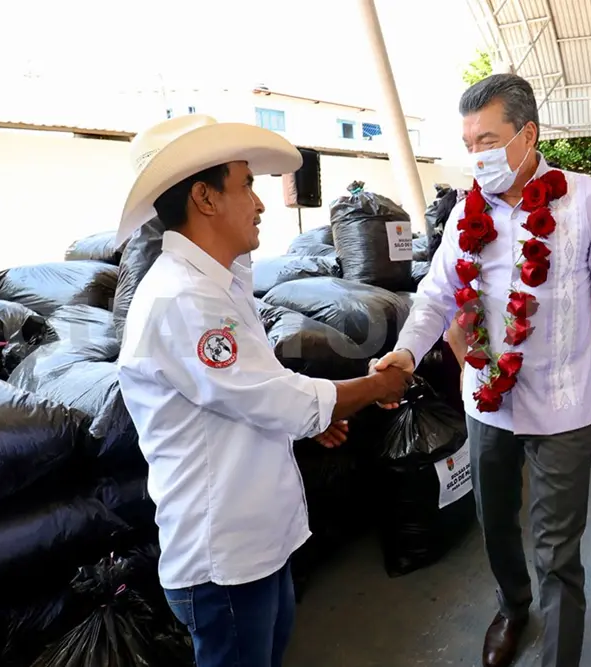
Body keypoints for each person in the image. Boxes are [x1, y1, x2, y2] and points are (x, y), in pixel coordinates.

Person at [112, 114, 410, 667]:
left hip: (255, 542)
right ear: (204, 197)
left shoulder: (217, 285)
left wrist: (312, 417)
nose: (261, 202)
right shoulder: (183, 299)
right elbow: (276, 399)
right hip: (225, 557)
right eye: (246, 184)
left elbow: (253, 392)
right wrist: (374, 386)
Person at [373, 73, 591, 667]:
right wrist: (406, 353)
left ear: (527, 135)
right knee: (494, 520)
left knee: (556, 546)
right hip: (486, 400)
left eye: (487, 140)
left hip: (568, 403)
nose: (477, 155)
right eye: (468, 143)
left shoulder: (586, 199)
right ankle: (513, 607)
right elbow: (436, 296)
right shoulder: (467, 211)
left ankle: (559, 654)